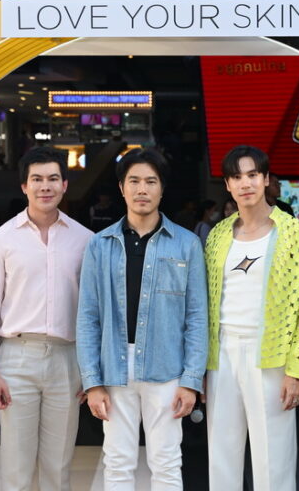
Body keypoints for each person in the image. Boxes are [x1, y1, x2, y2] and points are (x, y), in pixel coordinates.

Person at [77, 148, 208, 491]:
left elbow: (197, 317)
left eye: (151, 181)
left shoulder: (186, 244)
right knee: (117, 462)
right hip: (114, 367)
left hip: (167, 368)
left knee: (166, 463)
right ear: (122, 188)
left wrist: (191, 379)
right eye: (134, 181)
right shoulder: (99, 245)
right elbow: (88, 317)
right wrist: (92, 382)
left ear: (162, 189)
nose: (142, 189)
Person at [0, 146, 93, 491]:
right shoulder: (0, 240)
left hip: (67, 359)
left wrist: (90, 371)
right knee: (16, 467)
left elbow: (93, 312)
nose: (45, 186)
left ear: (64, 185)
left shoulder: (86, 240)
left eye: (53, 178)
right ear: (24, 186)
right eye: (37, 179)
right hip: (16, 358)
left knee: (59, 466)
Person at [204, 145, 299, 491]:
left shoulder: (294, 232)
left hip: (272, 355)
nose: (245, 183)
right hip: (222, 353)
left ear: (266, 179)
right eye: (236, 177)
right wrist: (201, 366)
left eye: (253, 175)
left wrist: (297, 371)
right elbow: (205, 303)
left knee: (274, 456)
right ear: (227, 185)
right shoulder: (218, 235)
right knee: (221, 453)